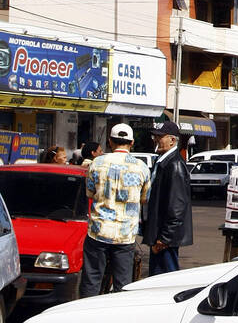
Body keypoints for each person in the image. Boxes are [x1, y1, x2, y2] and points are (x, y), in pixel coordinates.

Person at [80, 123, 150, 297]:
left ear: (110, 141)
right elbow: (144, 198)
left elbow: (89, 192)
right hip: (125, 235)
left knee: (92, 279)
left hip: (98, 231)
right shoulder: (141, 167)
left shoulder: (97, 163)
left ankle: (86, 316)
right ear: (132, 142)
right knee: (123, 284)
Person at [144, 121, 193, 274]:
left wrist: (164, 239)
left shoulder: (174, 165)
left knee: (165, 279)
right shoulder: (163, 162)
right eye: (155, 136)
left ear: (172, 140)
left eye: (160, 136)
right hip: (159, 234)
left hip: (165, 239)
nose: (156, 140)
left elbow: (177, 206)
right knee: (156, 280)